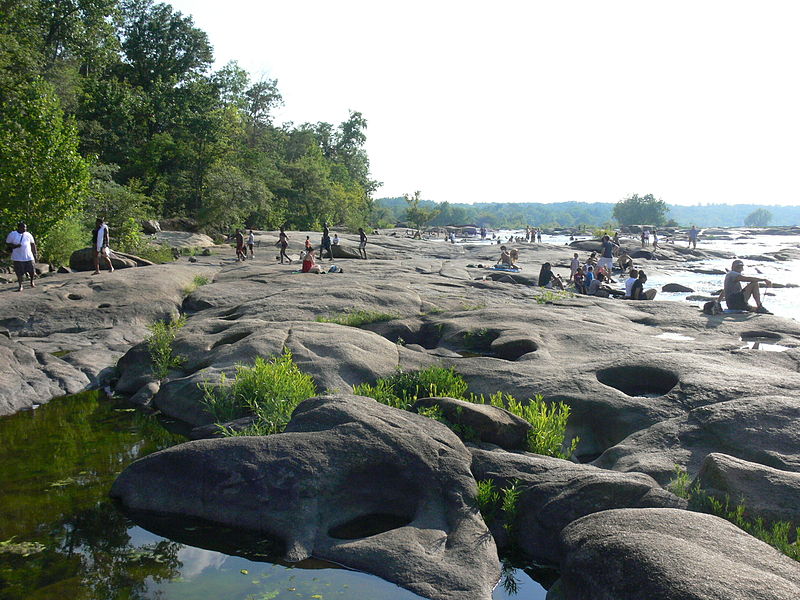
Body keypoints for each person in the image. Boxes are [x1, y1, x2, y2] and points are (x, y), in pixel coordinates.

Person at [6, 222, 37, 291]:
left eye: (25, 227)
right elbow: (8, 243)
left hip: (29, 256)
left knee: (32, 271)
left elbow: (33, 244)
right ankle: (20, 286)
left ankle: (32, 282)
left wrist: (35, 253)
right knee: (19, 272)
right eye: (23, 227)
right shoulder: (12, 234)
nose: (25, 229)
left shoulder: (28, 234)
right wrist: (15, 246)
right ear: (19, 227)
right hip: (18, 257)